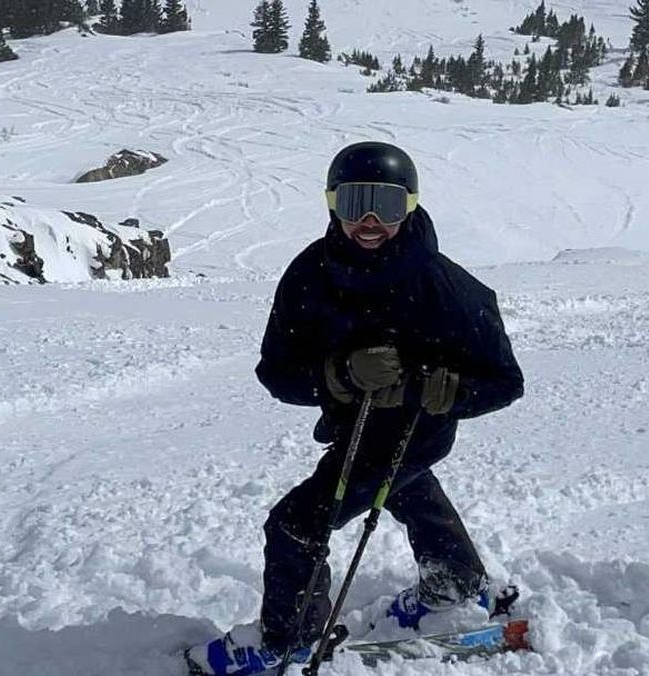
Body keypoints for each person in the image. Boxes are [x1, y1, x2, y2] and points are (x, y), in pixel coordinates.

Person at [185, 141, 525, 676]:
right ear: (331, 204)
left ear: (409, 206)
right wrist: (339, 376)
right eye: (353, 203)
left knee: (296, 526)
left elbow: (505, 381)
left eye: (385, 205)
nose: (369, 221)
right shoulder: (310, 276)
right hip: (352, 426)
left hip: (414, 430)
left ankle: (288, 640)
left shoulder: (444, 286)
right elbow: (276, 372)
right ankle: (456, 581)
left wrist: (438, 389)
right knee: (410, 489)